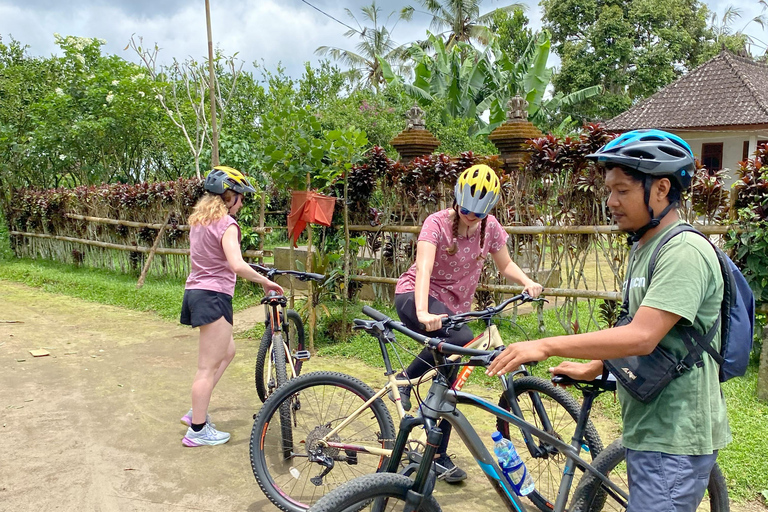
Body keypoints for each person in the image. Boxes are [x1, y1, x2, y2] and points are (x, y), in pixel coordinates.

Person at [487, 130, 730, 511]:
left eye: (622, 190)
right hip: (649, 428)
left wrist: (545, 344)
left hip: (675, 437)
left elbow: (643, 336)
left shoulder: (683, 252)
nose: (610, 202)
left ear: (661, 189)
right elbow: (646, 329)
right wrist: (597, 366)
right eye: (609, 190)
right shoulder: (645, 246)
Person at [393, 164, 543, 482]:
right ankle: (407, 381)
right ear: (456, 200)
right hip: (414, 296)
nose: (471, 216)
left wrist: (527, 281)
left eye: (478, 213)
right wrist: (422, 311)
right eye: (465, 210)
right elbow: (423, 268)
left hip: (453, 311)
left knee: (451, 378)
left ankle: (435, 452)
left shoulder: (490, 229)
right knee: (462, 341)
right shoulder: (436, 223)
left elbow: (505, 264)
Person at [179, 166, 283, 447]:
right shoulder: (227, 224)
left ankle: (196, 411)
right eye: (241, 197)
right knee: (206, 368)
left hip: (196, 292)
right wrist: (266, 282)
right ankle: (197, 430)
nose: (242, 203)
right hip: (213, 295)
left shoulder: (199, 221)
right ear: (229, 196)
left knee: (228, 351)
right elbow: (237, 264)